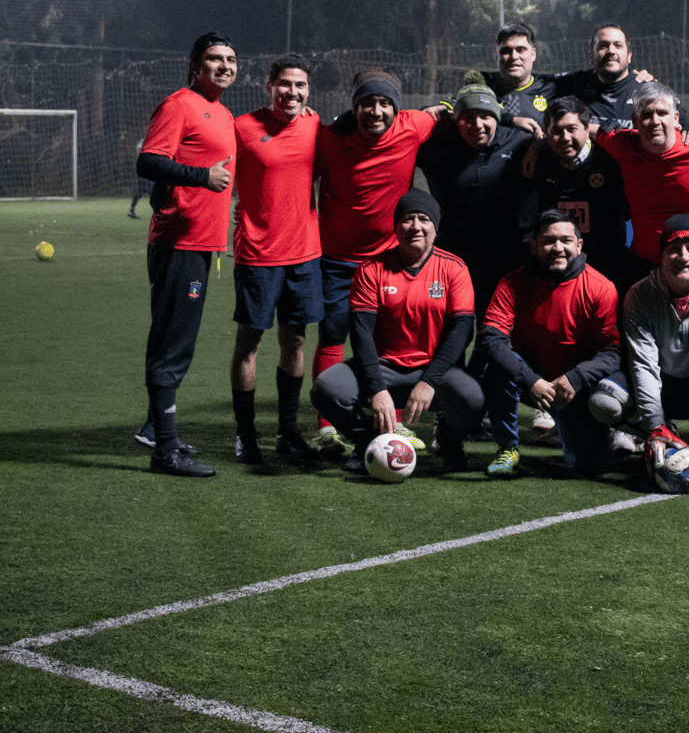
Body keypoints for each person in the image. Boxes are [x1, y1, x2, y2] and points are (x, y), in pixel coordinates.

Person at [310, 190, 484, 472]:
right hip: (383, 367)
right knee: (326, 389)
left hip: (433, 369)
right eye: (407, 219)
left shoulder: (454, 268)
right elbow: (361, 334)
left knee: (473, 398)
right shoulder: (371, 269)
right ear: (396, 227)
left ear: (435, 228)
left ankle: (449, 441)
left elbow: (462, 330)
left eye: (424, 219)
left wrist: (429, 381)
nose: (416, 226)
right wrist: (377, 388)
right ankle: (367, 440)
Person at [441, 211, 621, 478]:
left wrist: (576, 378)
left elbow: (613, 351)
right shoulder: (512, 283)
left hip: (575, 388)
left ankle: (589, 432)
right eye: (549, 241)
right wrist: (530, 380)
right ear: (534, 245)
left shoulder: (601, 287)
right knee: (499, 366)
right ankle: (507, 448)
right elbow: (491, 338)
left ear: (579, 245)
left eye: (566, 240)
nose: (558, 248)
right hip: (531, 380)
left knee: (591, 467)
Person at [133, 32, 237, 477]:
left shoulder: (222, 112)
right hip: (179, 244)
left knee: (177, 342)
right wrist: (200, 177)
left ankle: (157, 431)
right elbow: (149, 161)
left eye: (231, 59)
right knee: (172, 346)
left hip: (202, 243)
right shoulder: (179, 105)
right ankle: (164, 451)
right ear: (195, 65)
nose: (225, 65)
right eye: (215, 58)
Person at [590, 214, 689, 489]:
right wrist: (654, 424)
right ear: (661, 256)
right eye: (674, 249)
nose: (683, 257)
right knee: (603, 401)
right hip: (663, 385)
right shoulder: (639, 294)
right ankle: (664, 433)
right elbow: (644, 365)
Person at [229, 58, 323, 465]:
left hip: (305, 254)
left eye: (300, 86)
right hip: (258, 254)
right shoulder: (242, 128)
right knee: (249, 343)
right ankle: (245, 435)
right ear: (269, 86)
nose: (292, 92)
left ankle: (288, 432)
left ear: (308, 91)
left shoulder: (316, 125)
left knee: (295, 340)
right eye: (284, 84)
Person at [417, 75, 535, 319]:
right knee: (449, 328)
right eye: (468, 118)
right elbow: (397, 131)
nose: (477, 125)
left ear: (497, 118)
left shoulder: (520, 143)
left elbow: (552, 138)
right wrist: (427, 113)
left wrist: (538, 145)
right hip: (452, 257)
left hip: (504, 258)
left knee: (495, 328)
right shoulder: (439, 146)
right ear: (456, 120)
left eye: (485, 116)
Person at [595, 82, 689, 268]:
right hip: (647, 264)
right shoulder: (624, 144)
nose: (655, 121)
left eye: (662, 113)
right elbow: (580, 128)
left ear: (676, 118)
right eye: (647, 115)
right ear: (635, 121)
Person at [529, 95, 639, 298]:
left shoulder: (610, 158)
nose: (565, 138)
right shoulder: (540, 163)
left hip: (609, 265)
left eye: (572, 129)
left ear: (587, 129)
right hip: (559, 266)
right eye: (556, 131)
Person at [556, 23, 689, 132]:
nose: (611, 51)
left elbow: (687, 124)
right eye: (603, 46)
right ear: (591, 56)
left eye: (618, 45)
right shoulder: (573, 85)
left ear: (629, 56)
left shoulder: (647, 88)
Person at [481, 21, 564, 131]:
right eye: (505, 51)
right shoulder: (483, 85)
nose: (514, 56)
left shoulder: (552, 87)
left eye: (520, 50)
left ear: (533, 54)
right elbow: (463, 113)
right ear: (497, 57)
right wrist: (511, 120)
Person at [128, 137, 153, 218]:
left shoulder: (146, 143)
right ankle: (132, 210)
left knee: (146, 191)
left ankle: (132, 210)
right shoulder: (143, 144)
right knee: (146, 191)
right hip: (143, 170)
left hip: (147, 170)